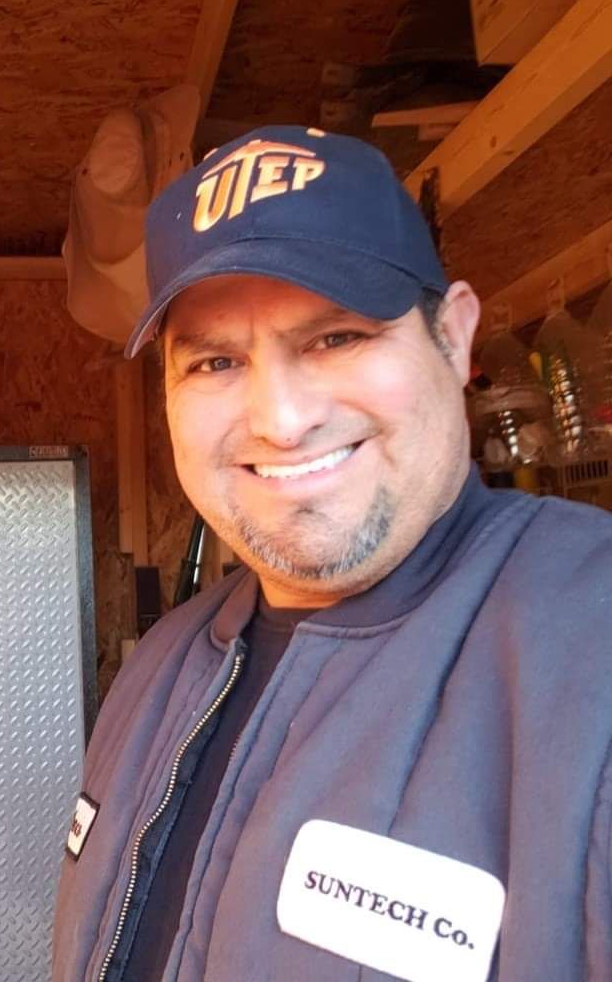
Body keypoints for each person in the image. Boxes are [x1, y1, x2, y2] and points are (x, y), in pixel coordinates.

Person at [51, 126, 612, 982]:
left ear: (456, 338)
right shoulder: (157, 670)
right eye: (213, 361)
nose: (280, 418)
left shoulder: (589, 644)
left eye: (337, 337)